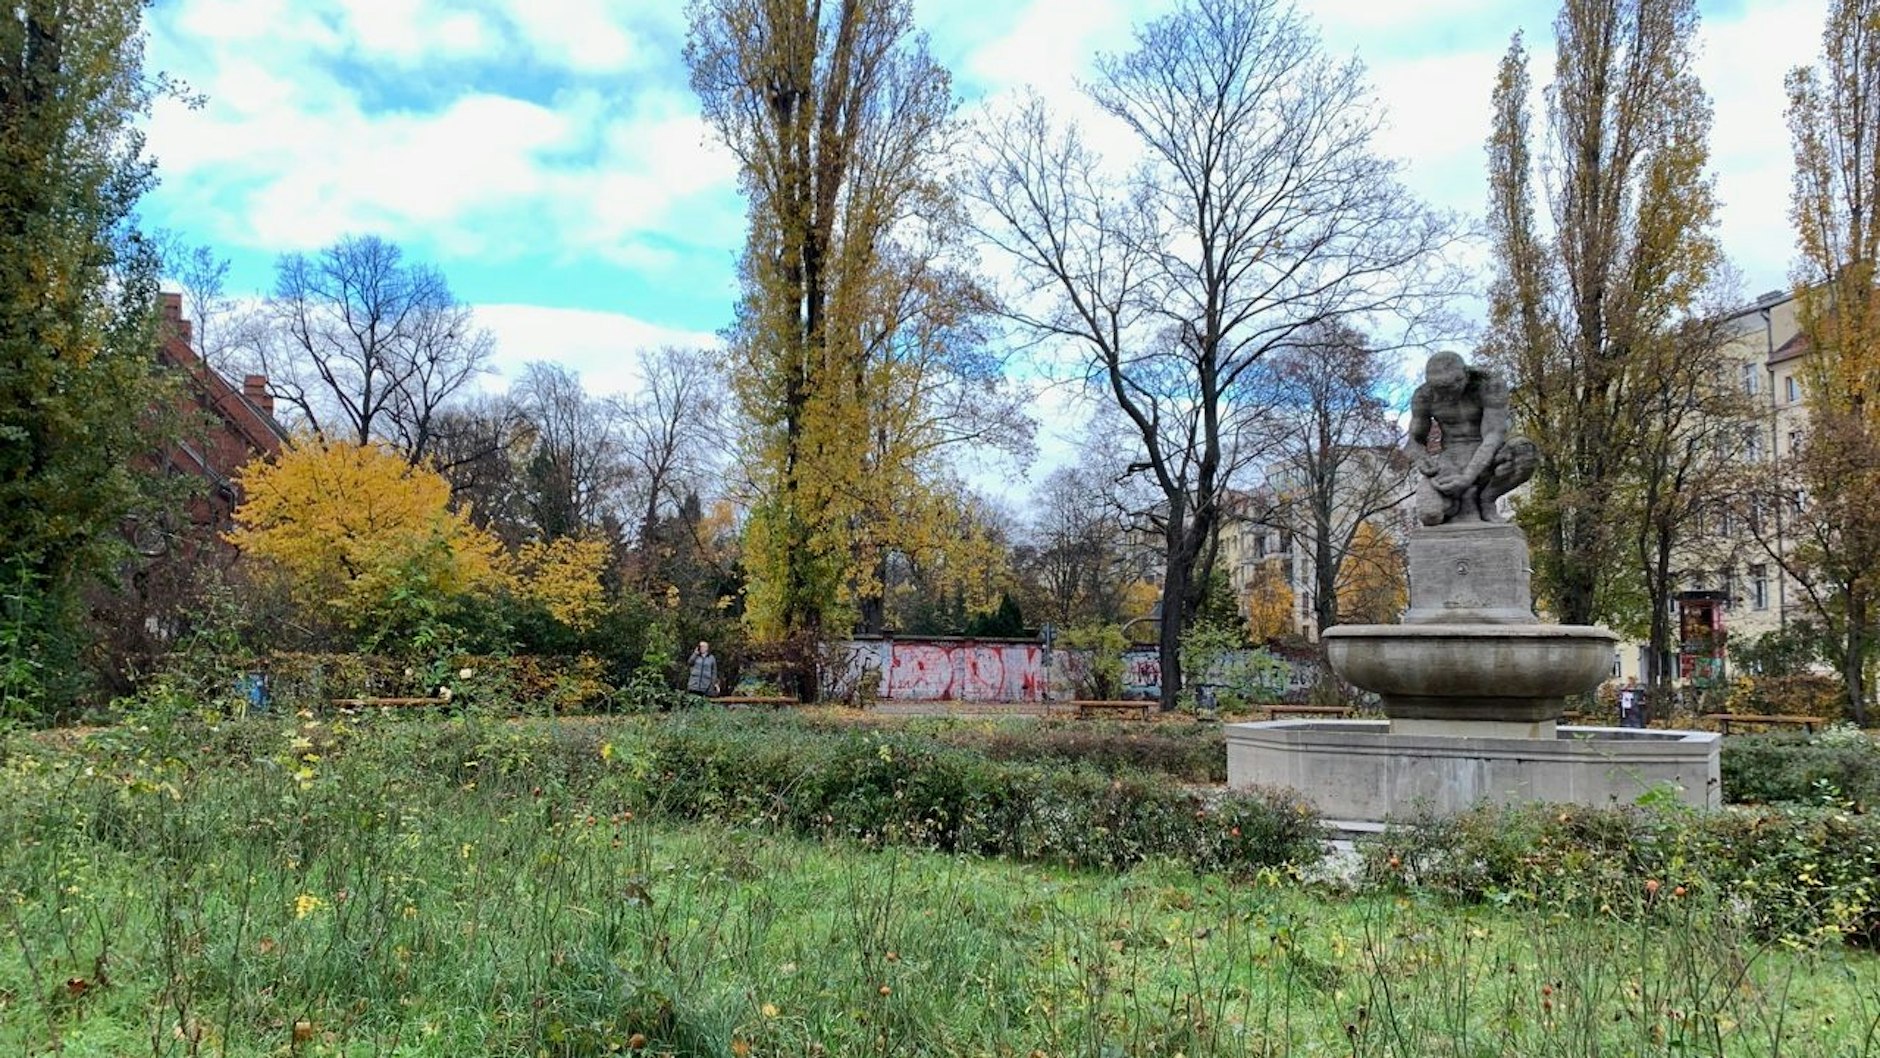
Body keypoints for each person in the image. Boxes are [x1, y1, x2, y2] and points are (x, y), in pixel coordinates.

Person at [1406, 351, 1540, 526]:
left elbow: (1494, 435)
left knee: (1524, 452)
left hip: (1490, 455)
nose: (1446, 396)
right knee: (1430, 514)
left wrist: (1468, 477)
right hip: (1451, 458)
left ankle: (1487, 499)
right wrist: (1420, 457)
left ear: (1464, 376)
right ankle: (1458, 504)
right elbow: (1414, 440)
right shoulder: (1424, 396)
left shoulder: (1489, 386)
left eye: (1450, 389)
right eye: (1440, 391)